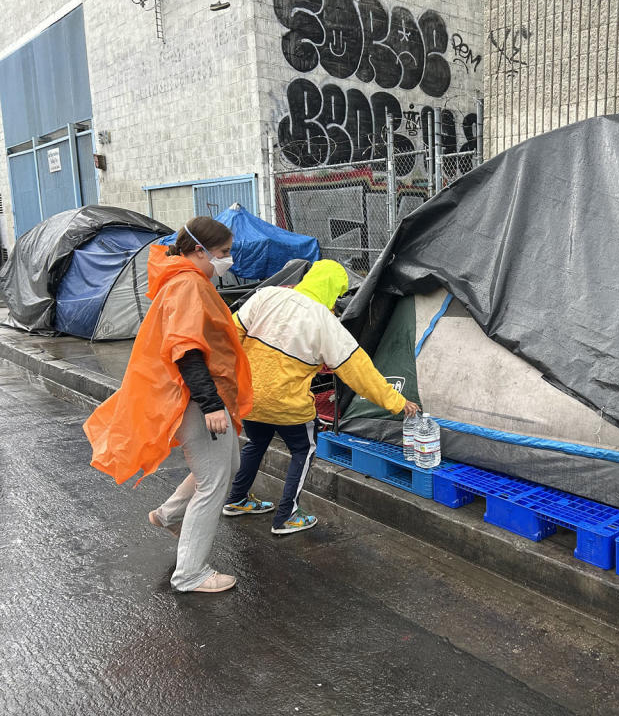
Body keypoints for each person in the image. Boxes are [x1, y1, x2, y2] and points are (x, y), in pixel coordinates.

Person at [84, 217, 252, 594]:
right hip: (194, 397)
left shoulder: (183, 281)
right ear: (199, 250)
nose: (227, 261)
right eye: (223, 253)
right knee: (214, 482)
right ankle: (191, 573)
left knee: (230, 463)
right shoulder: (189, 285)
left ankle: (170, 514)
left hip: (196, 394)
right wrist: (210, 405)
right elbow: (187, 350)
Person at [222, 259, 419, 534]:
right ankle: (287, 516)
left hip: (249, 397)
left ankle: (236, 498)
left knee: (256, 442)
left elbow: (229, 335)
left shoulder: (267, 295)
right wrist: (397, 401)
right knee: (303, 450)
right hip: (287, 405)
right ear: (333, 290)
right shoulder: (324, 322)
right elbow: (358, 371)